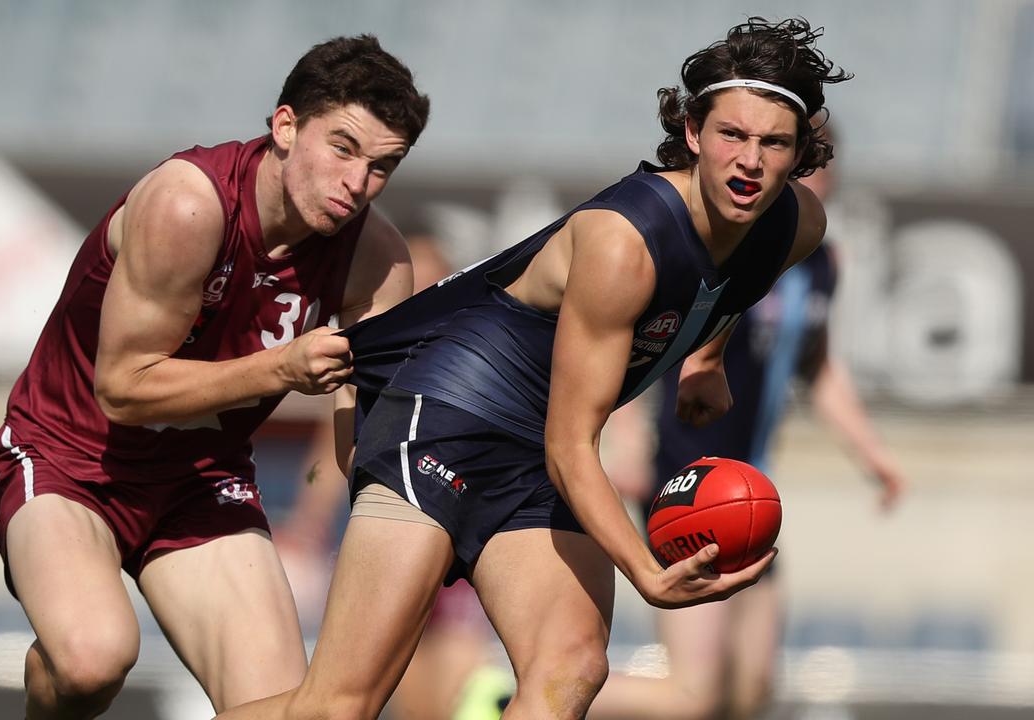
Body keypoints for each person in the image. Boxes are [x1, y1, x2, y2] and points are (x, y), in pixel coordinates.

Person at [216, 16, 851, 720]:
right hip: (445, 419)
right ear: (694, 133)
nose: (750, 163)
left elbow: (737, 276)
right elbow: (571, 445)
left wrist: (707, 355)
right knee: (339, 707)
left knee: (572, 668)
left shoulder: (798, 226)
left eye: (774, 144)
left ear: (799, 157)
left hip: (533, 450)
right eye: (732, 135)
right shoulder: (625, 242)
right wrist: (647, 571)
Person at [0, 35, 430, 719]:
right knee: (92, 660)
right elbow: (123, 388)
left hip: (201, 478)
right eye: (342, 148)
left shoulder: (376, 259)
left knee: (289, 711)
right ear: (285, 127)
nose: (358, 185)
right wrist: (280, 366)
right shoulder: (189, 205)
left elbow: (365, 437)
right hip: (72, 458)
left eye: (382, 167)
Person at [586, 123, 906, 720]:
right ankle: (508, 695)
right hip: (689, 482)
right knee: (692, 697)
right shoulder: (719, 244)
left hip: (752, 489)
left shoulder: (819, 263)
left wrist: (871, 454)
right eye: (801, 165)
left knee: (750, 690)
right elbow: (632, 337)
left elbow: (820, 366)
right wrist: (625, 439)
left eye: (818, 164)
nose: (813, 180)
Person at [274, 234, 502, 720]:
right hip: (391, 534)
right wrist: (308, 519)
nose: (419, 291)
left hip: (458, 539)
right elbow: (333, 453)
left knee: (459, 694)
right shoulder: (370, 355)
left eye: (431, 281)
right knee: (396, 699)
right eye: (410, 284)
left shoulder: (475, 346)